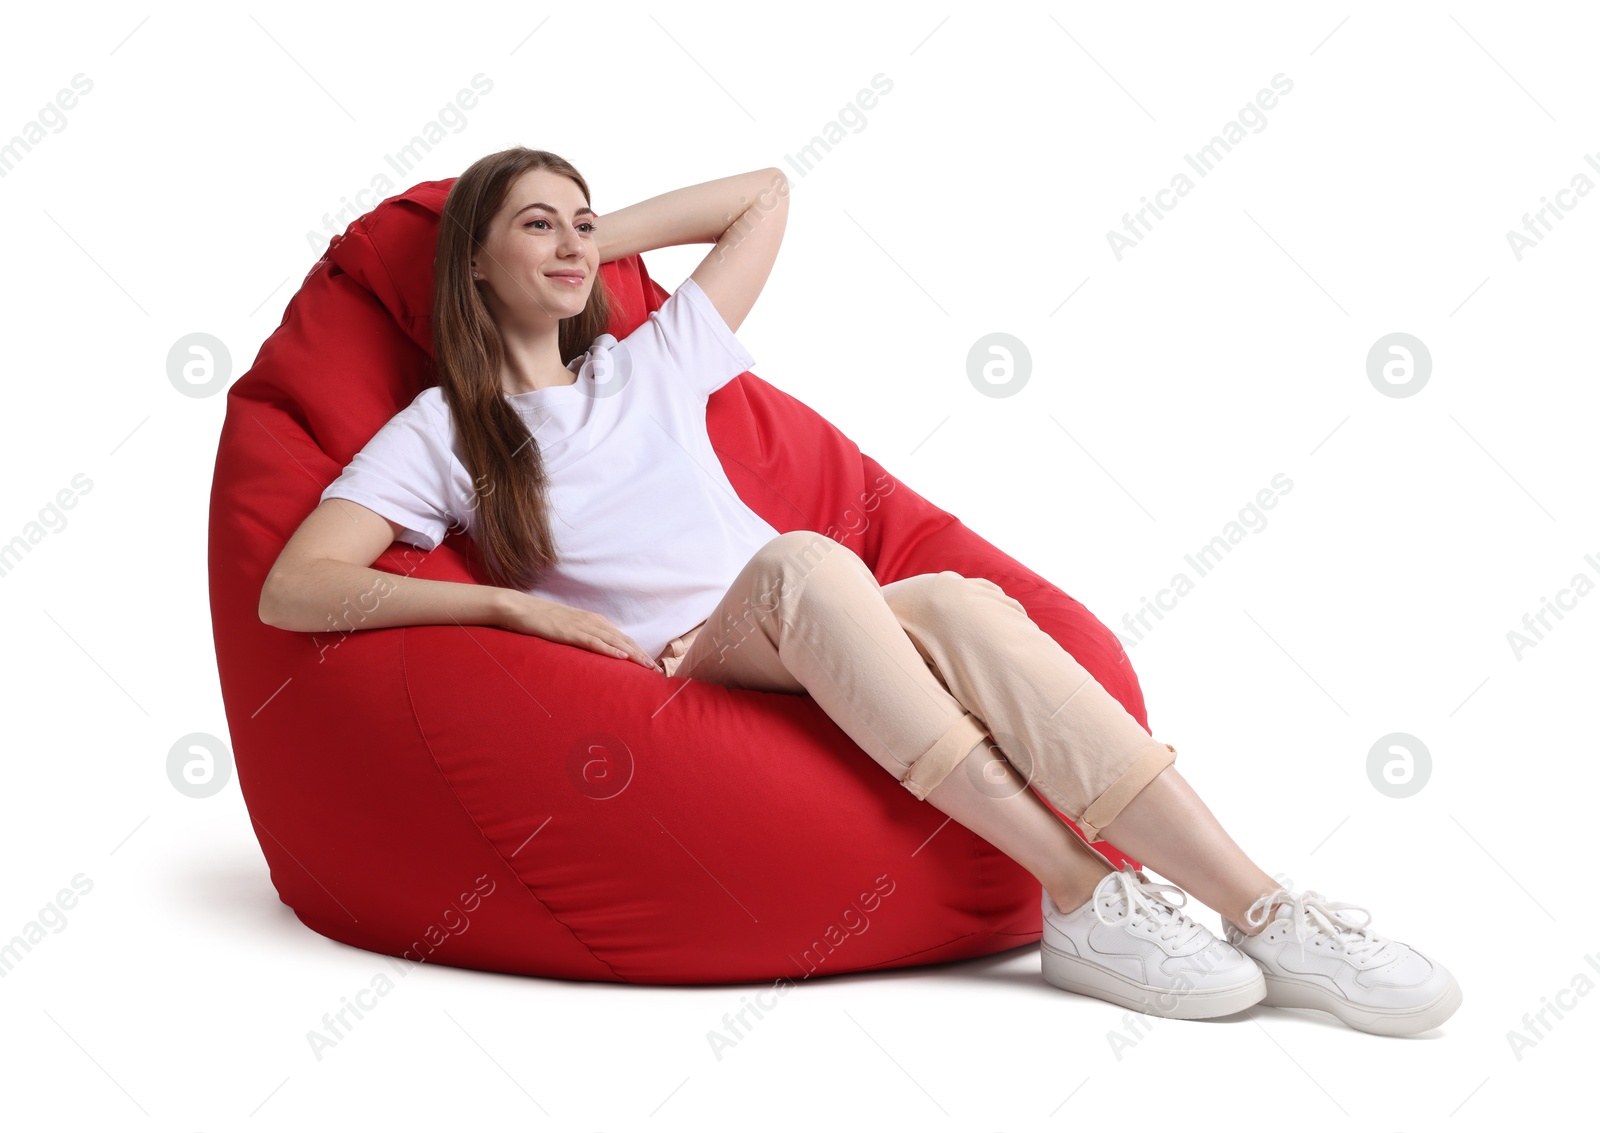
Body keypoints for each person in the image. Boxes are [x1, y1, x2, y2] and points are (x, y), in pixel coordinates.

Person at [259, 147, 1461, 1036]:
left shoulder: (647, 363)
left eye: (583, 224)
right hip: (698, 653)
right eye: (536, 227)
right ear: (473, 257)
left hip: (813, 616)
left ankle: (1261, 909)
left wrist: (588, 234)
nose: (573, 246)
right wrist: (508, 607)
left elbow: (764, 193)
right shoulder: (444, 432)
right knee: (806, 559)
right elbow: (296, 588)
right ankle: (1078, 885)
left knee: (959, 601)